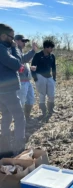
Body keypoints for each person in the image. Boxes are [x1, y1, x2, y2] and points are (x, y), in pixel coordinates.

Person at [0, 23, 26, 156]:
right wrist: (16, 49)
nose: (13, 40)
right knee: (19, 117)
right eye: (12, 37)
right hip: (7, 90)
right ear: (3, 36)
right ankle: (19, 148)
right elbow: (17, 63)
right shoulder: (2, 49)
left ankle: (4, 149)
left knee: (6, 116)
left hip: (2, 91)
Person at [15, 35, 38, 122]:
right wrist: (33, 51)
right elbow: (22, 60)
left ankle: (26, 117)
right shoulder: (13, 51)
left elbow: (22, 63)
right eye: (22, 41)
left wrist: (29, 67)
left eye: (25, 41)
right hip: (20, 82)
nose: (24, 43)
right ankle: (19, 120)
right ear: (16, 41)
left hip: (27, 81)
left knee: (30, 100)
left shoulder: (20, 51)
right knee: (20, 102)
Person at [31, 39, 56, 118]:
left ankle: (51, 109)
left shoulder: (52, 56)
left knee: (51, 94)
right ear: (46, 47)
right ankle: (44, 111)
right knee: (42, 95)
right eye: (51, 48)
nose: (52, 49)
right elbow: (32, 67)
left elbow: (54, 67)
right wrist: (35, 78)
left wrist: (54, 78)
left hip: (49, 77)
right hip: (40, 76)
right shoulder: (37, 55)